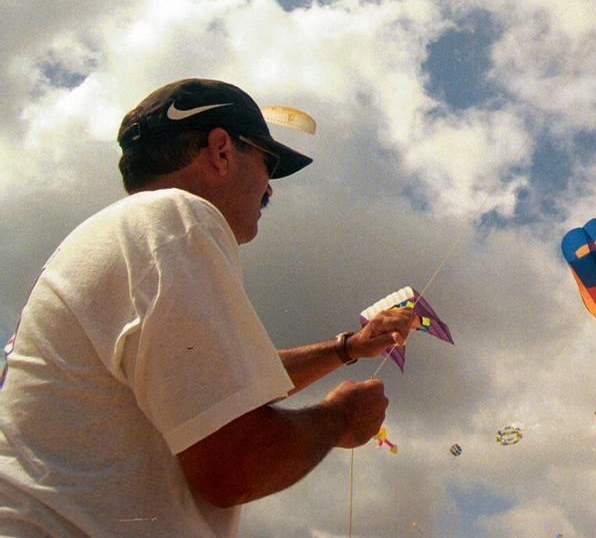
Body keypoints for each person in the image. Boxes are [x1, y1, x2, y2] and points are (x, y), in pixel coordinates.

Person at [0, 78, 421, 537]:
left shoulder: (122, 235)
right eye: (269, 162)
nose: (270, 190)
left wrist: (348, 348)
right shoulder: (176, 219)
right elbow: (234, 467)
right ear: (221, 151)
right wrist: (339, 418)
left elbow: (214, 380)